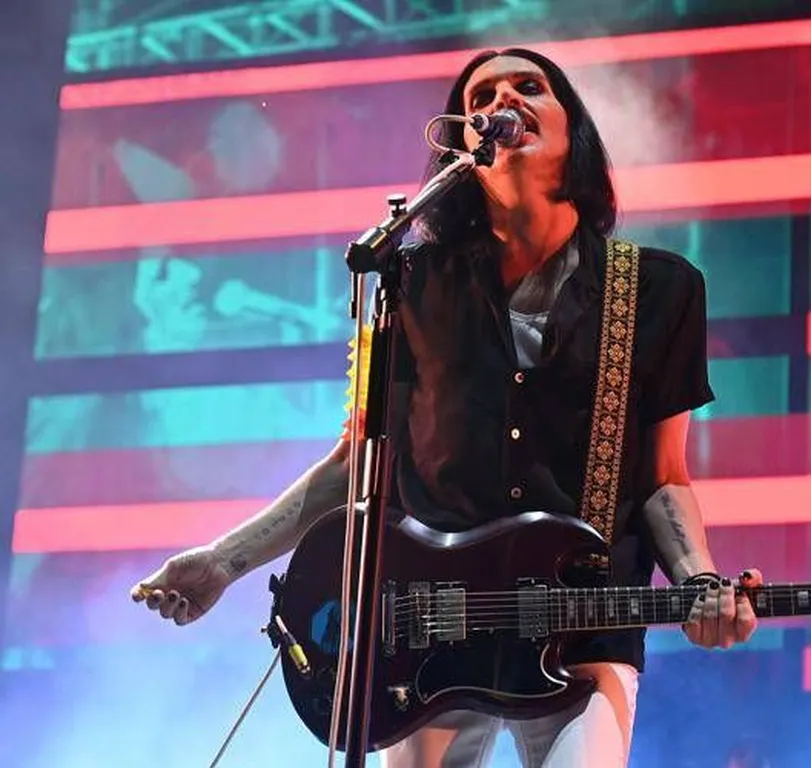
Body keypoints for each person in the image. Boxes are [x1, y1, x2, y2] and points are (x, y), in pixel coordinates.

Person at [130, 47, 762, 768]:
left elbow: (661, 477)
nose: (503, 102)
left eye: (530, 87)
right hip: (427, 632)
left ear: (574, 130)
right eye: (481, 97)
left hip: (581, 622)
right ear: (464, 145)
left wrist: (699, 581)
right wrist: (223, 561)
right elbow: (356, 467)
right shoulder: (409, 283)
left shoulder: (656, 290)